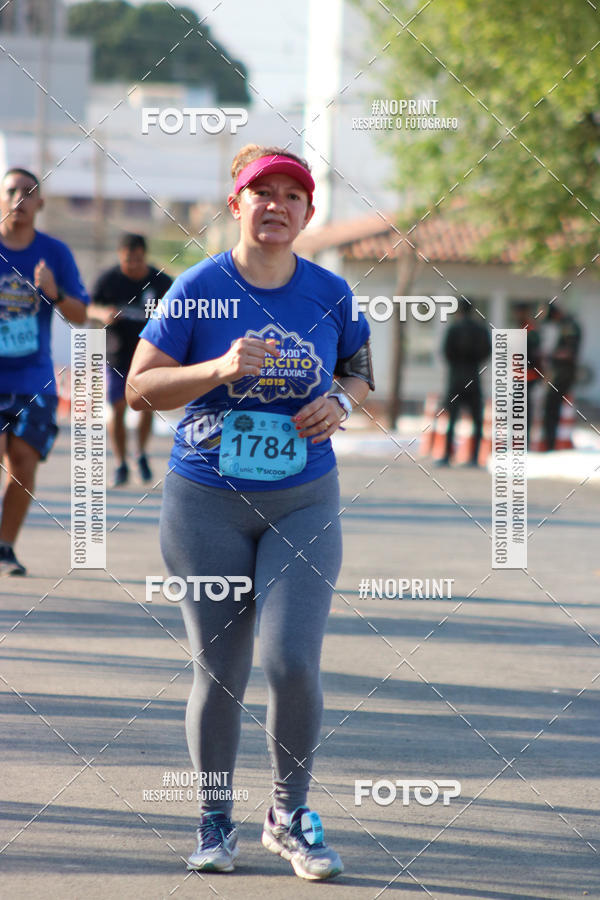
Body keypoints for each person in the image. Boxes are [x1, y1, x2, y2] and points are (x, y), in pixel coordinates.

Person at [126, 144, 374, 879]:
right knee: (222, 670)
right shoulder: (199, 289)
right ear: (235, 205)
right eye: (260, 193)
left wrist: (341, 402)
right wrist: (219, 369)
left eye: (291, 196)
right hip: (205, 504)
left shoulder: (330, 292)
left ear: (307, 213)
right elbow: (141, 386)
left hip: (304, 500)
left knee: (292, 662)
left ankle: (289, 815)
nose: (276, 205)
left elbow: (360, 371)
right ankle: (212, 817)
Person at [0, 167, 89, 576]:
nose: (19, 197)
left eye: (27, 191)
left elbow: (81, 315)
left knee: (23, 461)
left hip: (33, 379)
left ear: (40, 203)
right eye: (11, 190)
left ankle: (5, 547)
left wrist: (54, 293)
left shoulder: (54, 253)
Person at [88, 233, 172, 486]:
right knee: (117, 407)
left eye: (137, 259)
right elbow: (87, 306)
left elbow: (179, 312)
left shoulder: (162, 281)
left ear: (144, 256)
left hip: (149, 355)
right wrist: (102, 313)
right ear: (119, 256)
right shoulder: (108, 280)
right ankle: (120, 462)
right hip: (116, 353)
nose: (132, 265)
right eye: (127, 260)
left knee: (147, 406)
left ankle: (141, 453)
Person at [437, 298, 491, 466]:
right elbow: (487, 351)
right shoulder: (480, 329)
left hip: (456, 377)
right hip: (474, 376)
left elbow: (445, 351)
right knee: (477, 420)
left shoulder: (454, 328)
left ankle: (447, 455)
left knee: (452, 419)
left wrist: (456, 363)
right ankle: (474, 457)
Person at [542, 304, 581, 451]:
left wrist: (549, 355)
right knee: (551, 407)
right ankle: (549, 443)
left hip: (563, 373)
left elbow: (569, 352)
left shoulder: (569, 327)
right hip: (559, 372)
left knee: (552, 406)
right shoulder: (563, 326)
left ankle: (551, 445)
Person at [513, 302, 543, 446]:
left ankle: (525, 441)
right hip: (519, 375)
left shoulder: (531, 332)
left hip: (528, 376)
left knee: (524, 410)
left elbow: (535, 356)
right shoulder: (521, 330)